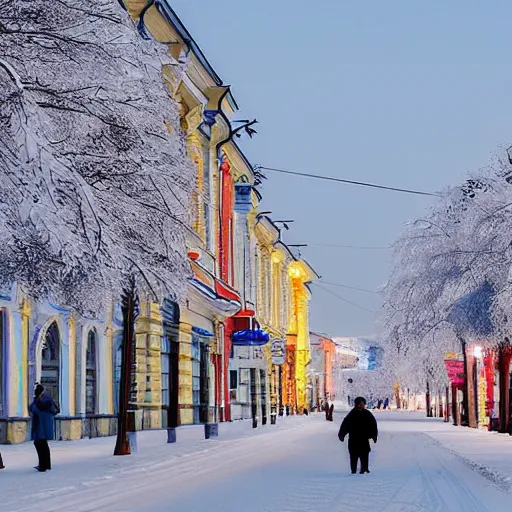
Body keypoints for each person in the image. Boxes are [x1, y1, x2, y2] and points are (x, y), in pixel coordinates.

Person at [338, 396, 378, 474]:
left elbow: (373, 425)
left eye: (363, 404)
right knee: (353, 455)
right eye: (360, 404)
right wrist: (342, 434)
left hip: (363, 438)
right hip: (354, 438)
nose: (361, 406)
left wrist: (374, 435)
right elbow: (345, 425)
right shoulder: (352, 414)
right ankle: (353, 469)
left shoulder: (367, 414)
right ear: (356, 404)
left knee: (365, 453)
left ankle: (364, 468)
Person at [30, 384, 59, 472]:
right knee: (43, 445)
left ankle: (43, 465)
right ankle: (46, 465)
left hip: (39, 426)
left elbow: (32, 410)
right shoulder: (48, 401)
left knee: (39, 444)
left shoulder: (38, 402)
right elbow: (56, 411)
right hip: (45, 426)